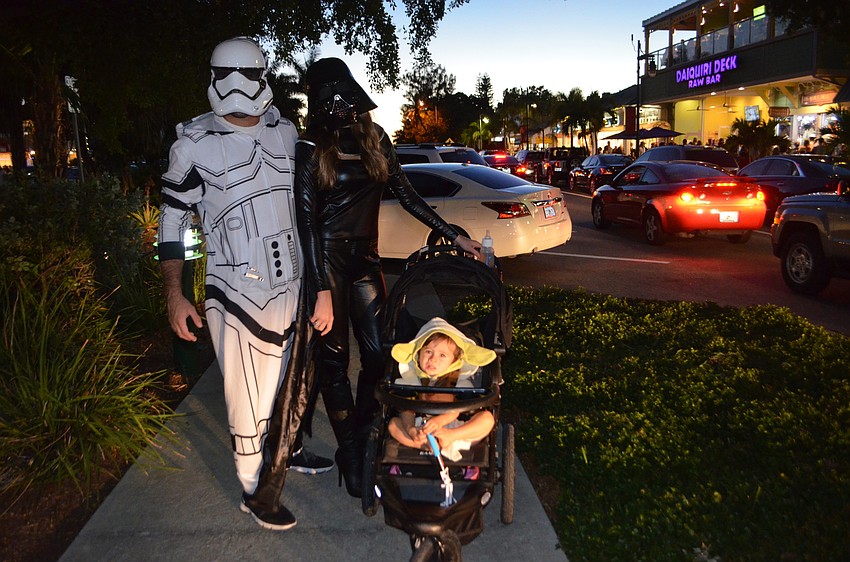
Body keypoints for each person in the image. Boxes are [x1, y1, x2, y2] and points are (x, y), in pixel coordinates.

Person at [158, 37, 329, 531]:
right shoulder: (193, 144)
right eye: (228, 73)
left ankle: (287, 450)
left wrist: (319, 283)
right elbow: (173, 223)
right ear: (213, 77)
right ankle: (255, 490)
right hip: (236, 289)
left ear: (263, 77)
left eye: (248, 74)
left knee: (290, 382)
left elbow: (307, 210)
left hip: (294, 283)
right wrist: (176, 291)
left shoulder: (286, 132)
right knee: (248, 393)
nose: (239, 85)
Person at [294, 57, 481, 498]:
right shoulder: (310, 146)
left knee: (379, 357)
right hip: (326, 262)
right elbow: (304, 220)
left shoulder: (375, 138)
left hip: (365, 259)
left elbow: (406, 193)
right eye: (326, 96)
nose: (336, 104)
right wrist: (319, 289)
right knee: (334, 361)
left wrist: (452, 234)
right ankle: (351, 451)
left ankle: (362, 437)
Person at [387, 318, 496, 470]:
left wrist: (441, 424)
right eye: (428, 352)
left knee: (487, 419)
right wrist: (411, 429)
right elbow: (407, 409)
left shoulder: (459, 382)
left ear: (454, 360)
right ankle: (421, 444)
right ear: (418, 354)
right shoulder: (411, 380)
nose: (433, 359)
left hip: (453, 430)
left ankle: (448, 438)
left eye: (442, 355)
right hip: (421, 430)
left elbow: (458, 410)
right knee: (393, 425)